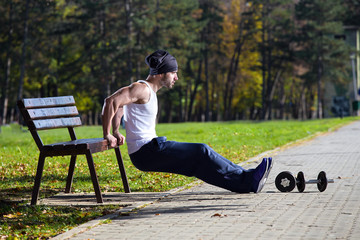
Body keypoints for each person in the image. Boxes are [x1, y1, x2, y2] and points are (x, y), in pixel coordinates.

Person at [102, 49, 273, 193]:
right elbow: (111, 101)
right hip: (146, 151)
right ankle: (248, 179)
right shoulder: (141, 88)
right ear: (161, 73)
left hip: (148, 150)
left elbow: (119, 106)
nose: (176, 77)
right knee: (201, 150)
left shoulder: (148, 92)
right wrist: (108, 133)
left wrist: (117, 131)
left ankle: (246, 182)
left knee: (197, 165)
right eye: (173, 72)